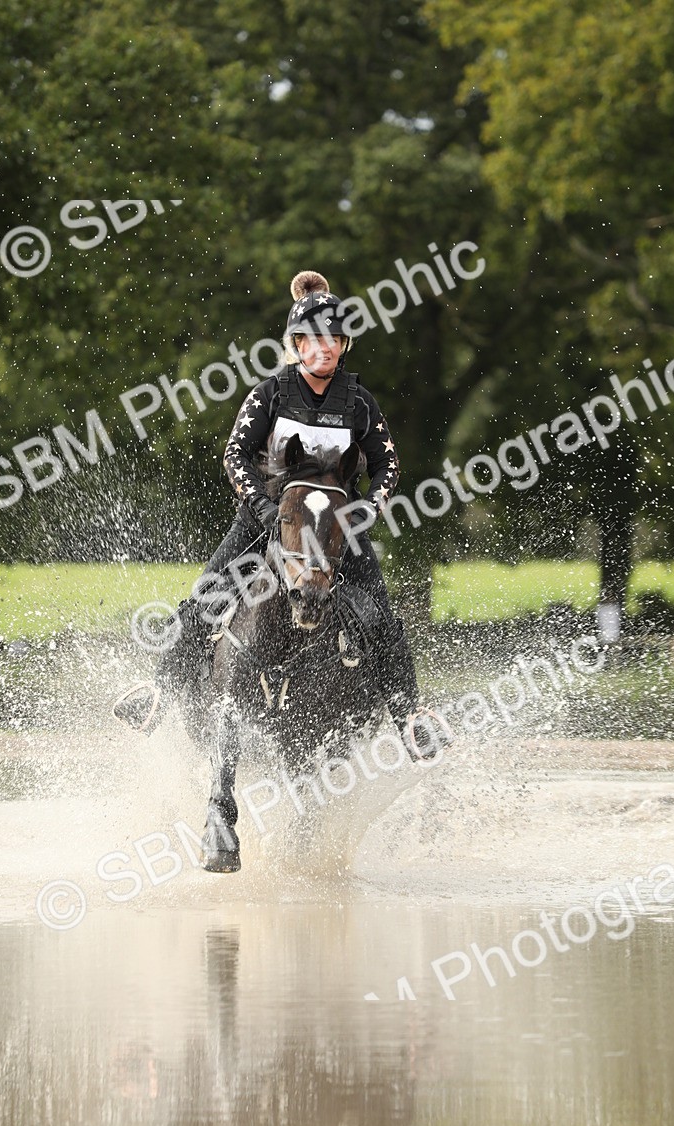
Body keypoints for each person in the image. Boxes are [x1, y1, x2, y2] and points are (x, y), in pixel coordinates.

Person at [114, 270, 445, 759]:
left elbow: (388, 464)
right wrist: (263, 507)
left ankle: (411, 717)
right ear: (296, 343)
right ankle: (159, 692)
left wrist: (369, 508)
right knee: (207, 593)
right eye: (314, 338)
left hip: (335, 530)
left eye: (335, 338)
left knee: (381, 615)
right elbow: (235, 455)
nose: (325, 347)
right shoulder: (269, 394)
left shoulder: (359, 402)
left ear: (344, 345)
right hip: (267, 520)